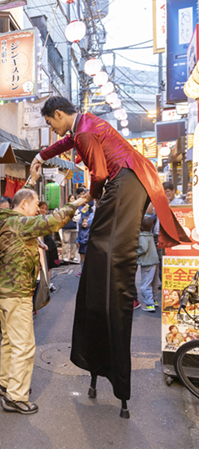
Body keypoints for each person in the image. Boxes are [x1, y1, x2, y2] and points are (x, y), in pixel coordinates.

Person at [31, 96, 189, 408]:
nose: (52, 130)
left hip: (125, 181)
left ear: (59, 114)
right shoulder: (83, 127)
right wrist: (41, 155)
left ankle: (111, 343)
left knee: (110, 265)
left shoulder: (85, 132)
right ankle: (102, 343)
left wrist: (89, 198)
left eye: (50, 123)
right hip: (132, 180)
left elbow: (100, 174)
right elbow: (67, 145)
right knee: (101, 265)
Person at [0, 163, 87, 415]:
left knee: (9, 342)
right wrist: (77, 203)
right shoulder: (23, 223)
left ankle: (6, 384)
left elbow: (21, 199)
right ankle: (15, 396)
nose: (38, 210)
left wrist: (31, 181)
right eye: (35, 206)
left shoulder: (5, 218)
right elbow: (52, 220)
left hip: (2, 291)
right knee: (24, 345)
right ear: (25, 207)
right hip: (16, 293)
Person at [137, 216, 159, 313]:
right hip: (155, 261)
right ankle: (154, 300)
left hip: (147, 262)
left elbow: (143, 248)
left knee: (145, 284)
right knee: (154, 283)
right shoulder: (150, 235)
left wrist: (135, 252)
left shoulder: (142, 236)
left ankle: (149, 304)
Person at [38, 201, 60, 291]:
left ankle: (47, 283)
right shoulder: (33, 219)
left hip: (49, 243)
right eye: (41, 207)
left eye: (45, 209)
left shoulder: (48, 218)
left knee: (49, 265)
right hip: (39, 243)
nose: (43, 210)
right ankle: (41, 284)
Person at [61, 195, 79, 262]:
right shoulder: (66, 207)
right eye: (71, 198)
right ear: (68, 200)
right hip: (67, 226)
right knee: (66, 241)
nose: (73, 199)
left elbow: (79, 216)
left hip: (74, 226)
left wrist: (73, 218)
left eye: (74, 198)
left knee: (73, 242)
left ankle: (72, 256)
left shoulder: (77, 207)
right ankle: (64, 256)